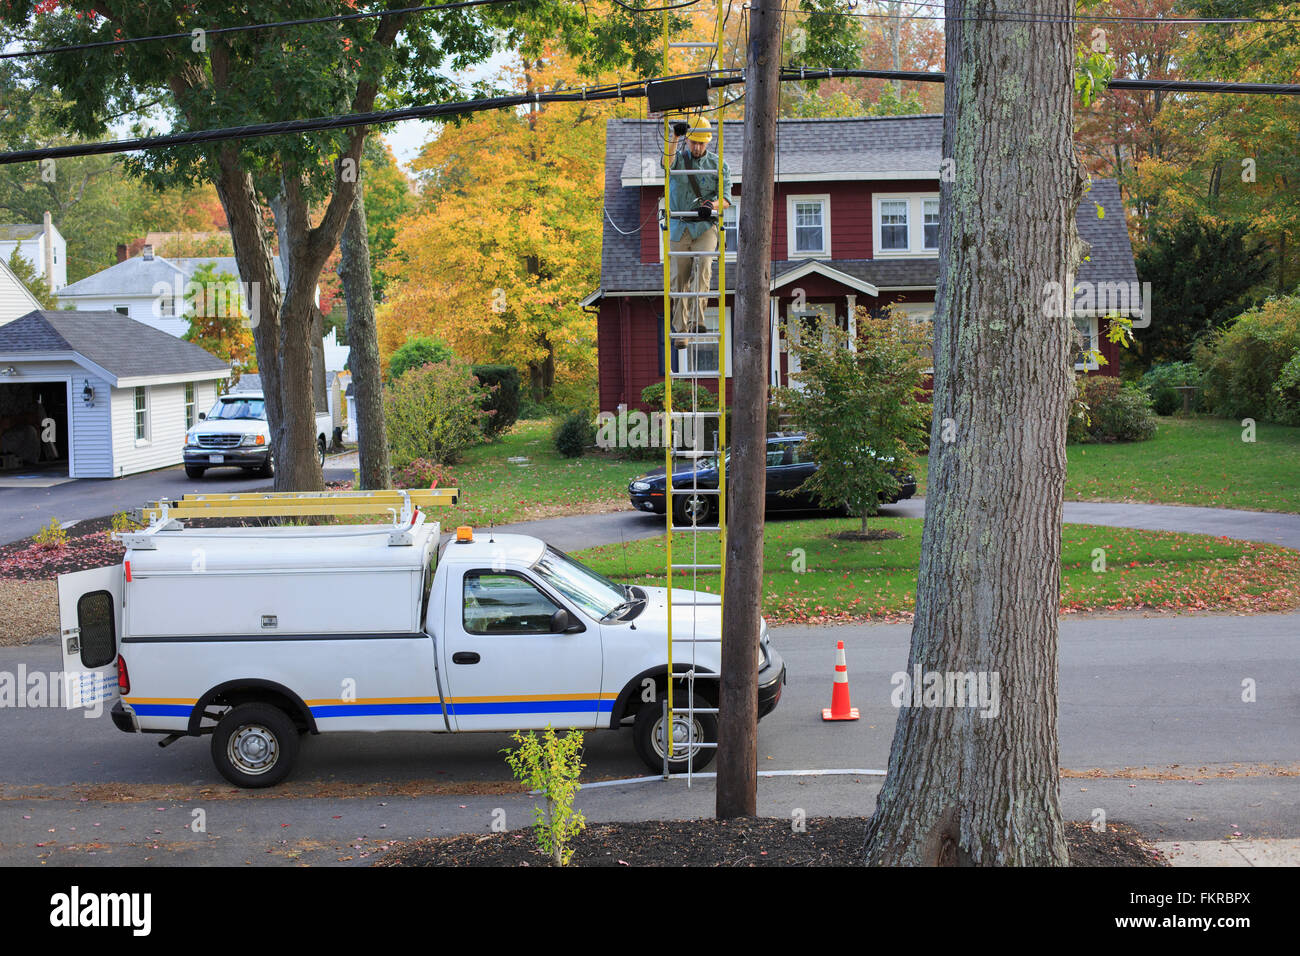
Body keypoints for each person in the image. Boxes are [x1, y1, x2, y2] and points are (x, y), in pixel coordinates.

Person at [668, 116, 733, 336]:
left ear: (708, 142)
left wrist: (711, 205)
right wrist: (674, 137)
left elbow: (725, 199)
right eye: (694, 142)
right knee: (680, 278)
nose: (697, 147)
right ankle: (681, 328)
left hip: (704, 225)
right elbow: (665, 163)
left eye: (701, 143)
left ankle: (698, 320)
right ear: (688, 141)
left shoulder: (718, 165)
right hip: (680, 225)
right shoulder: (678, 160)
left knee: (705, 266)